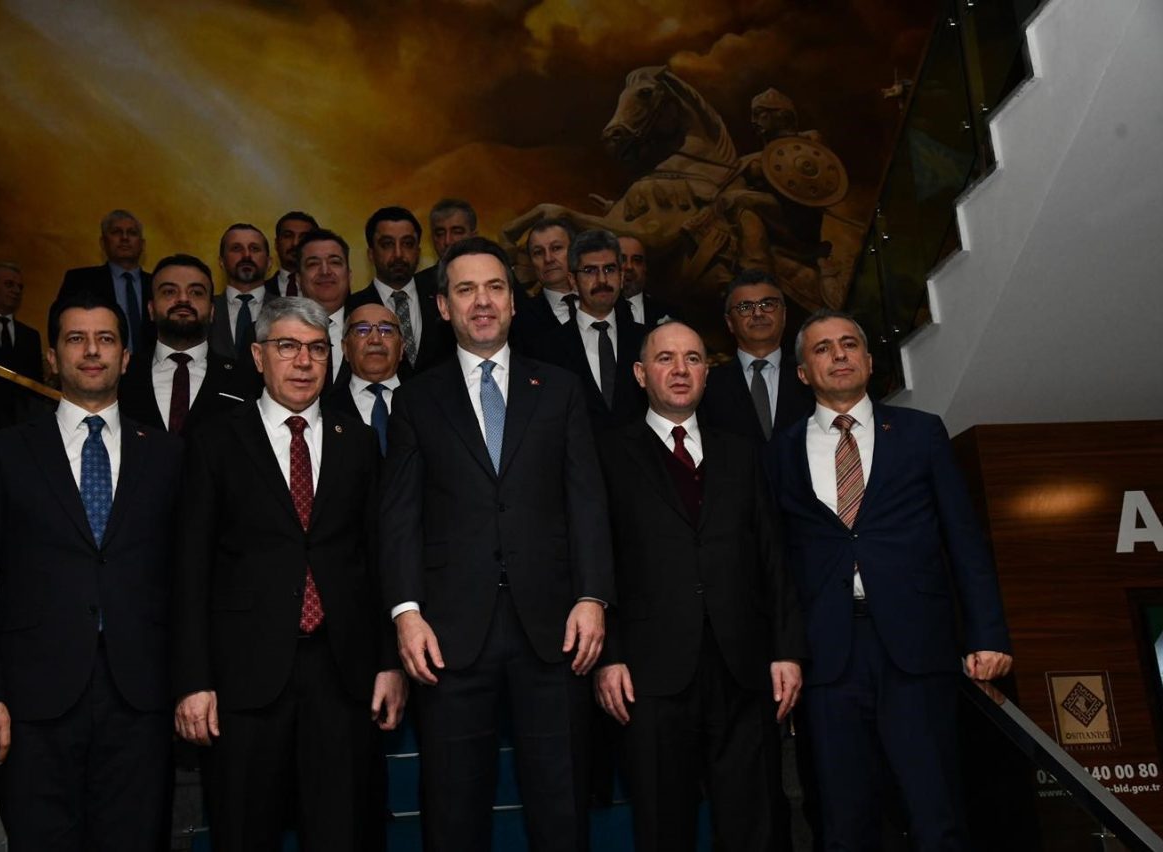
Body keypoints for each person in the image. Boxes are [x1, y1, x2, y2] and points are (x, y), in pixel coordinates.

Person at [381, 236, 614, 851]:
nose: (481, 301)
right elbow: (400, 515)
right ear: (443, 307)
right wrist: (406, 613)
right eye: (465, 289)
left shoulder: (560, 389)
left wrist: (593, 597)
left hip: (556, 630)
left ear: (513, 301)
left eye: (494, 288)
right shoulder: (416, 399)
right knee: (453, 811)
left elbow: (587, 502)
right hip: (448, 636)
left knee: (561, 806)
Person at [763, 310, 1014, 851]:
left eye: (849, 344)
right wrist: (782, 648)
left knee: (935, 812)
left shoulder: (921, 433)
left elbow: (963, 539)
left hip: (916, 648)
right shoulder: (780, 451)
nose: (839, 355)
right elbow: (775, 559)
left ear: (870, 360)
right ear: (802, 372)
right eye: (823, 348)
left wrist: (988, 634)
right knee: (843, 821)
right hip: (827, 655)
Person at [0, 289, 182, 849]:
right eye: (76, 339)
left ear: (126, 357)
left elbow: (187, 579)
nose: (92, 351)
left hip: (142, 699)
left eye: (106, 339)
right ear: (52, 357)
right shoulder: (4, 452)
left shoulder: (169, 455)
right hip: (32, 701)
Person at [173, 297, 405, 850]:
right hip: (244, 679)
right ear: (258, 357)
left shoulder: (357, 441)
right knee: (244, 832)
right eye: (287, 347)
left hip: (342, 676)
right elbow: (189, 570)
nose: (304, 362)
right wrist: (192, 681)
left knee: (344, 832)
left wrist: (389, 663)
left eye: (317, 349)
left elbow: (379, 560)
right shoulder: (214, 441)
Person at [595, 320, 806, 851]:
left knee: (756, 823)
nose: (680, 370)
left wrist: (786, 650)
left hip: (743, 667)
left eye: (693, 358)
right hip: (649, 673)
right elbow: (597, 561)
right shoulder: (606, 454)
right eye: (665, 359)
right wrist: (608, 656)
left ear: (707, 375)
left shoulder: (741, 452)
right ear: (640, 374)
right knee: (664, 825)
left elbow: (771, 556)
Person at [118, 254, 258, 435]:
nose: (183, 299)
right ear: (151, 309)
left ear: (212, 311)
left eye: (196, 292)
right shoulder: (121, 376)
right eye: (169, 291)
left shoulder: (245, 380)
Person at [534, 229, 646, 432]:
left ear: (621, 276)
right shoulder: (547, 349)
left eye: (609, 269)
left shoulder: (647, 341)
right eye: (590, 271)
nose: (602, 280)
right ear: (573, 280)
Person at [701, 269, 815, 443]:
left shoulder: (811, 376)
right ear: (730, 322)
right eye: (745, 307)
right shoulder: (708, 384)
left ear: (784, 315)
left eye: (768, 304)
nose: (758, 313)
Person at [346, 206, 452, 375]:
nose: (398, 254)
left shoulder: (444, 300)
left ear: (418, 252)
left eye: (407, 244)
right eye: (387, 244)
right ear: (371, 254)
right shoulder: (352, 308)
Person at [58, 209, 154, 353]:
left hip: (152, 365)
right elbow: (60, 326)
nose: (125, 238)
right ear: (103, 242)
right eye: (116, 232)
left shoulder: (158, 285)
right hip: (96, 361)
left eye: (132, 233)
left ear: (142, 244)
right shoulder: (79, 280)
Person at [322, 303, 403, 454]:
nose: (375, 339)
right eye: (362, 330)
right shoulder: (324, 410)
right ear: (345, 348)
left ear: (402, 348)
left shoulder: (427, 401)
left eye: (386, 330)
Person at [208, 223, 276, 371]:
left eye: (255, 249)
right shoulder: (205, 309)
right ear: (221, 262)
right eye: (236, 248)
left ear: (269, 262)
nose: (246, 255)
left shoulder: (287, 310)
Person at [509, 217, 577, 356]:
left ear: (575, 252)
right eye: (538, 252)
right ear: (531, 262)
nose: (548, 259)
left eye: (556, 248)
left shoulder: (606, 300)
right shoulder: (520, 321)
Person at [296, 228, 353, 387]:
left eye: (334, 262)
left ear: (349, 276)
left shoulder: (374, 330)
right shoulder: (266, 332)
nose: (325, 271)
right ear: (298, 279)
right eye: (313, 264)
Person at [414, 198, 478, 292]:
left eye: (457, 232)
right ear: (432, 238)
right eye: (440, 234)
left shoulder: (492, 276)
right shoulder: (417, 285)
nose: (447, 241)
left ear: (473, 237)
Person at [616, 234, 678, 328]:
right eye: (622, 260)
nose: (629, 267)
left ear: (645, 267)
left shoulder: (670, 312)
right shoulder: (595, 309)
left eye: (637, 260)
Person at [268, 210, 319, 297]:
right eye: (288, 236)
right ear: (277, 244)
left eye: (304, 237)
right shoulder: (259, 291)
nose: (295, 243)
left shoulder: (329, 289)